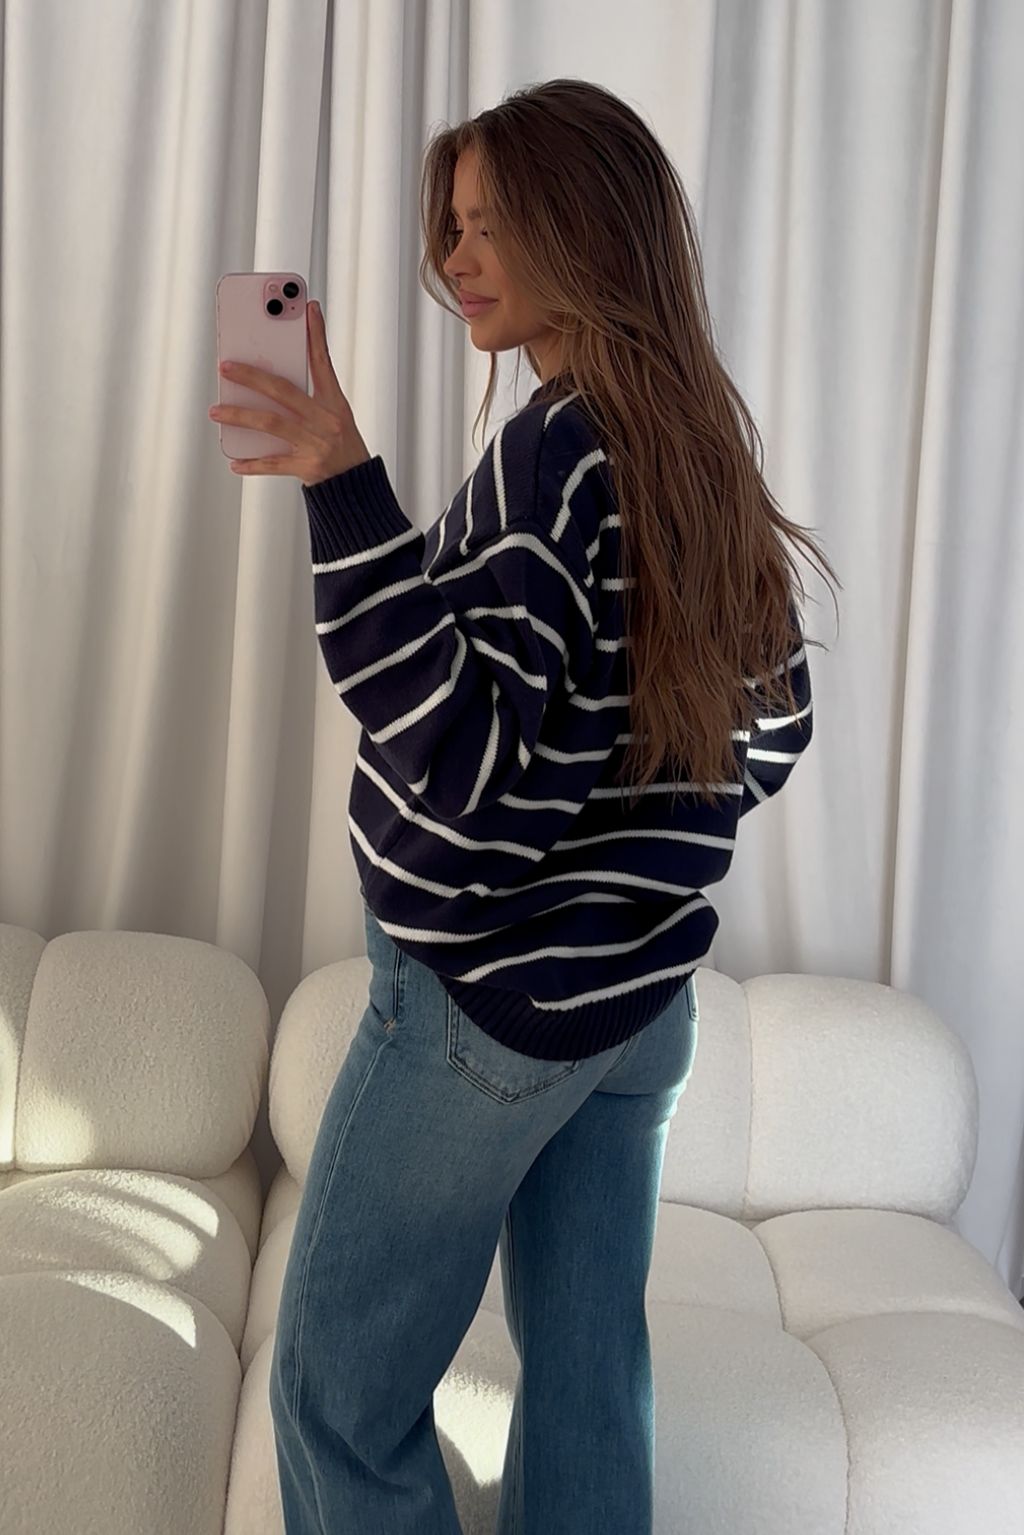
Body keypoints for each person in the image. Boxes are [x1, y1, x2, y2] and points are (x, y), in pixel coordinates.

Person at [269, 77, 841, 1535]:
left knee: (334, 1392)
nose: (454, 259)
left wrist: (344, 488)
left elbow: (469, 779)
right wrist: (628, 816)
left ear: (584, 229)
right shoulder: (696, 449)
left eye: (490, 225)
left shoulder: (559, 452)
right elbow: (773, 733)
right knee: (588, 1377)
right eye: (451, 226)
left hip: (490, 1011)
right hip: (637, 1011)